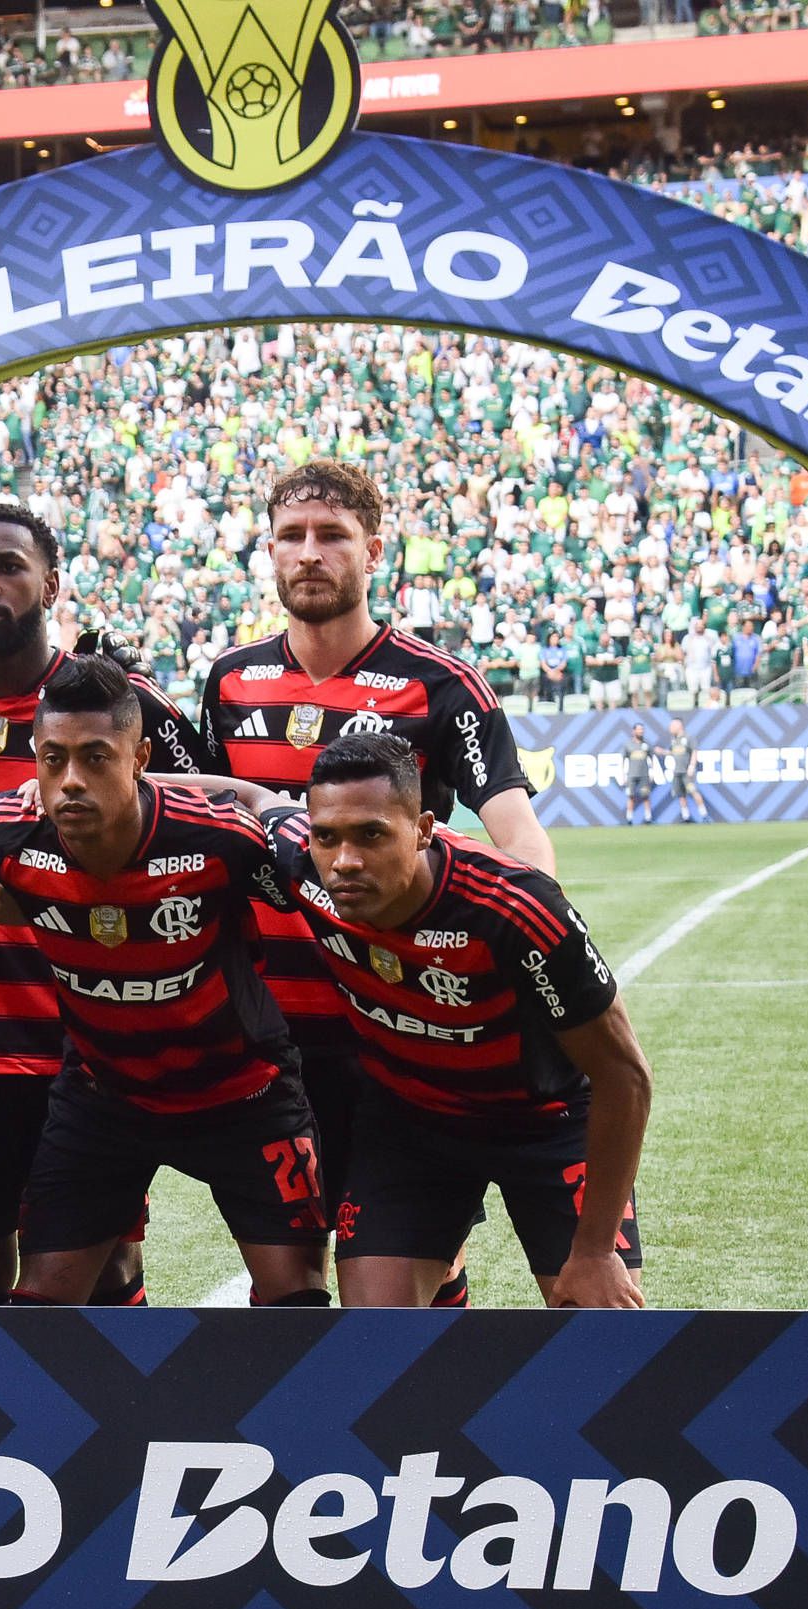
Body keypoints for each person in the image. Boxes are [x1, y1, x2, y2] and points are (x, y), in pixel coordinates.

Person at [0, 501, 216, 1304]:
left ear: (51, 585)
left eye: (8, 567)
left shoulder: (117, 702)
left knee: (106, 1266)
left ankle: (117, 1394)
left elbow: (202, 823)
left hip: (84, 1048)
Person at [201, 460, 553, 1237]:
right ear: (269, 550)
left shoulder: (441, 685)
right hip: (268, 1036)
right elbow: (210, 836)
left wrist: (532, 949)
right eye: (291, 535)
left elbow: (520, 837)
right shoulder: (228, 682)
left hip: (396, 1026)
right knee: (289, 1255)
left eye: (332, 534)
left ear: (373, 551)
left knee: (412, 1253)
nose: (309, 552)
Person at [0, 655, 330, 1307]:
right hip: (102, 1097)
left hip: (243, 1094)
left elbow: (326, 888)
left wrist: (270, 803)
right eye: (53, 760)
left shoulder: (218, 837)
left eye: (96, 757)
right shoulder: (3, 830)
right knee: (40, 1309)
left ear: (140, 757)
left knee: (297, 1304)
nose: (71, 781)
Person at [202, 735, 650, 1308]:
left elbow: (624, 1076)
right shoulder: (303, 866)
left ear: (422, 829)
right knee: (376, 1336)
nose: (344, 861)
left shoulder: (515, 908)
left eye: (371, 835)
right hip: (412, 1124)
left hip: (547, 1125)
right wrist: (116, 783)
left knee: (599, 1332)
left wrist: (594, 1251)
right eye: (326, 836)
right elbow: (253, 797)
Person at [664, 716, 708, 824]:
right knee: (681, 795)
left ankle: (704, 815)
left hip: (686, 771)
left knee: (693, 791)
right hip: (677, 771)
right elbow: (673, 752)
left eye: (672, 725)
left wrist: (692, 766)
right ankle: (686, 816)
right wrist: (662, 751)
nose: (670, 728)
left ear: (679, 726)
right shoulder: (674, 740)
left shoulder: (688, 738)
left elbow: (694, 752)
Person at [622, 719, 660, 825]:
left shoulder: (646, 744)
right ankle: (629, 818)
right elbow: (623, 760)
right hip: (631, 775)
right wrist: (623, 775)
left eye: (642, 729)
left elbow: (652, 759)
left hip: (644, 775)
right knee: (631, 796)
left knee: (645, 796)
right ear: (633, 731)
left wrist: (652, 772)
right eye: (639, 729)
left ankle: (648, 817)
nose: (641, 731)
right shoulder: (628, 744)